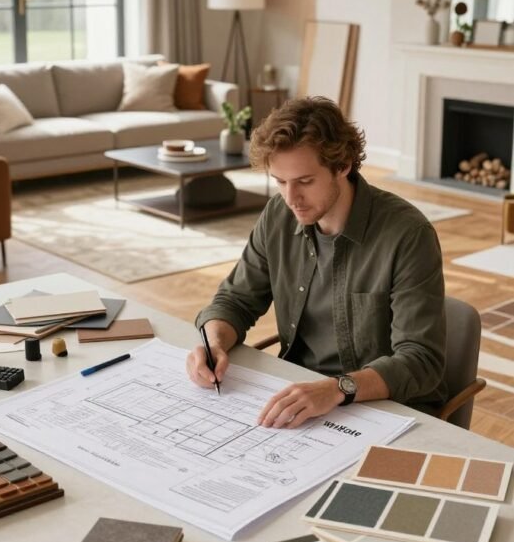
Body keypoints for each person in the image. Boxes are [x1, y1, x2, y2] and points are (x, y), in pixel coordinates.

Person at [186, 96, 447, 427]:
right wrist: (213, 344)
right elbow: (235, 300)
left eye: (305, 182)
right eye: (280, 181)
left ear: (343, 165)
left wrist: (337, 388)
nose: (291, 198)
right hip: (302, 398)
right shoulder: (278, 215)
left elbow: (421, 362)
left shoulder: (408, 235)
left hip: (384, 409)